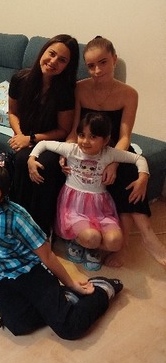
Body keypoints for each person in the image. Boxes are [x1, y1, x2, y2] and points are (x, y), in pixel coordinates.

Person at [0, 161, 123, 340]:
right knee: (18, 325)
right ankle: (64, 299)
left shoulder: (16, 216)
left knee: (69, 328)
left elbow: (47, 254)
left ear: (2, 195)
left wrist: (70, 283)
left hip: (29, 270)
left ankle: (102, 288)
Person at [73, 36, 166, 267]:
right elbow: (74, 130)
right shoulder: (79, 89)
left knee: (127, 170)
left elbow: (125, 136)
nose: (97, 70)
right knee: (120, 169)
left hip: (115, 148)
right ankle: (131, 241)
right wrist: (68, 155)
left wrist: (112, 161)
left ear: (114, 59)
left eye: (103, 62)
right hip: (88, 147)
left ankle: (144, 238)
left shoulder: (129, 93)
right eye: (91, 66)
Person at [28, 112, 149, 271]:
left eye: (93, 137)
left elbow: (139, 159)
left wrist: (142, 178)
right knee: (92, 237)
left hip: (100, 209)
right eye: (81, 135)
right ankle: (78, 241)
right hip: (74, 207)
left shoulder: (110, 153)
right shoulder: (72, 149)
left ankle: (90, 244)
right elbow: (43, 144)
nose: (85, 141)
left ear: (105, 140)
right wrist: (31, 159)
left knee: (115, 242)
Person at [8, 34, 79, 236]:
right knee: (21, 158)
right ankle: (16, 221)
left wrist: (31, 139)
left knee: (41, 163)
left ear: (68, 66)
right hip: (25, 136)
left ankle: (40, 228)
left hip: (51, 141)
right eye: (52, 54)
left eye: (62, 60)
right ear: (43, 52)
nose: (53, 61)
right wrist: (20, 136)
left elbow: (63, 130)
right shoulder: (20, 79)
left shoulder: (65, 91)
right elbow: (12, 112)